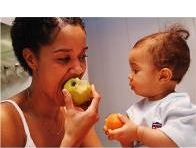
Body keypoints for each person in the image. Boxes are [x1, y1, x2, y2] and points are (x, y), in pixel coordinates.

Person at [0, 17, 102, 147]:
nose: (79, 69)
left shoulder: (75, 115)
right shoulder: (5, 120)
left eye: (82, 56)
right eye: (64, 58)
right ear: (31, 59)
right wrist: (71, 140)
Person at [104, 25, 196, 147]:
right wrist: (124, 139)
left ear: (163, 76)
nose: (130, 76)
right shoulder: (134, 111)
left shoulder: (179, 106)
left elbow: (174, 142)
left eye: (135, 70)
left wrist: (137, 133)